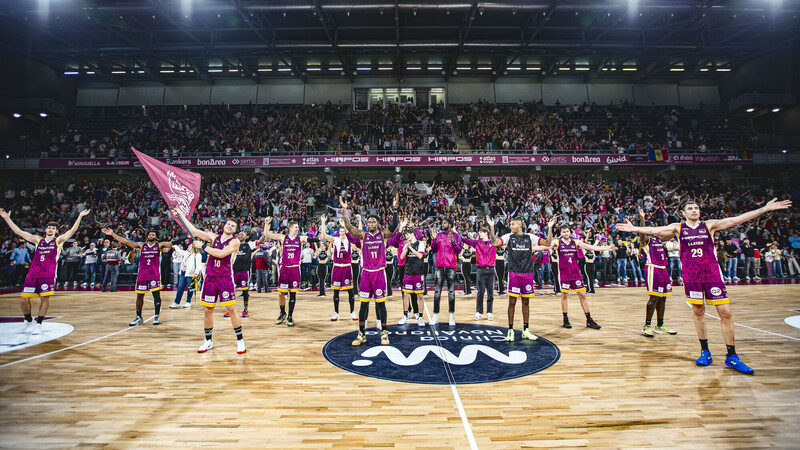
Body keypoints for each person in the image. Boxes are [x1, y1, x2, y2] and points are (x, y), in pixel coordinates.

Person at [616, 198, 792, 374]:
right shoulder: (678, 227)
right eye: (690, 208)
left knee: (726, 313)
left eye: (696, 208)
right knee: (698, 311)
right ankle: (705, 351)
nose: (694, 210)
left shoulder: (710, 225)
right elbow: (654, 230)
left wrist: (764, 209)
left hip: (712, 273)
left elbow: (737, 219)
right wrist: (635, 228)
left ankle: (732, 355)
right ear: (683, 213)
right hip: (692, 274)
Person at [0, 208, 90, 335]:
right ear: (45, 230)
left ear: (56, 231)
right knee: (23, 300)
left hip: (48, 274)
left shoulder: (58, 241)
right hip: (33, 273)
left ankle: (39, 323)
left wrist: (80, 216)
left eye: (53, 228)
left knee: (44, 299)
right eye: (49, 227)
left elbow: (72, 230)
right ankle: (28, 320)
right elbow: (19, 232)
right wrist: (7, 218)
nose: (50, 229)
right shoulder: (38, 240)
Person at [175, 211, 246, 354]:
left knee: (231, 309)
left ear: (235, 229)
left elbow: (221, 254)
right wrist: (181, 215)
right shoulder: (214, 237)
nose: (230, 226)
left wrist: (203, 247)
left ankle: (240, 340)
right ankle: (208, 341)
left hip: (225, 277)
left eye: (233, 225)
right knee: (208, 310)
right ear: (224, 225)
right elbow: (194, 230)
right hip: (211, 277)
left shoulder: (235, 241)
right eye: (228, 224)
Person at [339, 196, 400, 347]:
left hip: (379, 273)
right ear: (366, 224)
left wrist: (395, 208)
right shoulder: (362, 236)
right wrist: (345, 210)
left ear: (378, 224)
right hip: (366, 273)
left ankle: (384, 333)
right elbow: (349, 227)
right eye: (369, 221)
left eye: (374, 221)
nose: (371, 223)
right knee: (363, 306)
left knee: (381, 305)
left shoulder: (383, 235)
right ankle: (361, 333)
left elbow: (394, 225)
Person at [489, 216, 555, 342]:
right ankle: (510, 330)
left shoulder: (530, 237)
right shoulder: (509, 236)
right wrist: (492, 227)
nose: (511, 226)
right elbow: (494, 243)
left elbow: (547, 244)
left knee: (526, 302)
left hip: (527, 273)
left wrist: (550, 228)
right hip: (513, 273)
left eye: (513, 224)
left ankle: (526, 330)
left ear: (520, 225)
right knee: (512, 302)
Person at [102, 227, 174, 327]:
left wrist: (187, 237)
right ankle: (138, 317)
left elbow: (172, 243)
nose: (151, 236)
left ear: (156, 237)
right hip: (142, 274)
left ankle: (157, 315)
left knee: (156, 295)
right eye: (149, 234)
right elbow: (126, 241)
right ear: (147, 236)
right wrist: (113, 234)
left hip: (154, 274)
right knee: (139, 296)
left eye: (153, 235)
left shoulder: (159, 245)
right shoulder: (141, 245)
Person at [553, 224, 617, 329]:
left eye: (567, 231)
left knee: (582, 295)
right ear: (560, 233)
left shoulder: (576, 242)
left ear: (570, 232)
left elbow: (591, 247)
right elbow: (545, 246)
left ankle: (589, 320)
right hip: (564, 273)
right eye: (563, 232)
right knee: (564, 296)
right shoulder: (557, 242)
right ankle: (565, 319)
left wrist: (607, 248)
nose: (565, 233)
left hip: (575, 273)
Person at [262, 217, 320, 327]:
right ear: (290, 228)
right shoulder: (283, 238)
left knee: (293, 293)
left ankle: (290, 316)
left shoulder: (300, 238)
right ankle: (282, 313)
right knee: (280, 293)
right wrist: (266, 224)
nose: (297, 229)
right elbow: (267, 234)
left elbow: (311, 239)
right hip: (285, 268)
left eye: (298, 227)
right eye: (296, 227)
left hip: (294, 268)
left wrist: (318, 239)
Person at [635, 208, 677, 338]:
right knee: (654, 297)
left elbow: (673, 233)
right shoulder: (645, 240)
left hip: (663, 269)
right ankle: (647, 325)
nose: (652, 229)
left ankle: (660, 325)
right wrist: (642, 219)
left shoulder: (659, 239)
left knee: (663, 297)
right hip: (653, 268)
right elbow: (642, 234)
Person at [320, 215, 358, 321]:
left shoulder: (349, 240)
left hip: (346, 267)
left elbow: (358, 235)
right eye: (340, 232)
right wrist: (323, 222)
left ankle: (352, 312)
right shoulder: (336, 240)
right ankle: (336, 312)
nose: (342, 234)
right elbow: (324, 235)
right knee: (336, 292)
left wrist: (345, 225)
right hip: (337, 268)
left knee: (350, 291)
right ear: (338, 232)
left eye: (343, 232)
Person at [430, 218, 464, 326]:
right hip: (439, 266)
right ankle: (435, 315)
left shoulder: (456, 236)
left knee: (451, 292)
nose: (442, 224)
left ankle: (451, 316)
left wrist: (453, 242)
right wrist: (434, 240)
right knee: (437, 291)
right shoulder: (439, 235)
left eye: (444, 222)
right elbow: (434, 249)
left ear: (449, 224)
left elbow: (459, 250)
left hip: (451, 266)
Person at [462, 226, 497, 321]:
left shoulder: (493, 243)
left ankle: (489, 312)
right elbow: (465, 240)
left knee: (490, 292)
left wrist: (492, 227)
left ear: (485, 233)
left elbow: (494, 238)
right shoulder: (477, 243)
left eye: (480, 232)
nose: (479, 234)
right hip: (480, 269)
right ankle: (478, 312)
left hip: (491, 269)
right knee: (480, 292)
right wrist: (455, 233)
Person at [397, 226, 426, 327]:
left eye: (408, 235)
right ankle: (405, 315)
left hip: (418, 272)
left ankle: (420, 317)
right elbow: (401, 257)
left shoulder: (420, 243)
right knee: (405, 294)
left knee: (420, 296)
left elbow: (420, 256)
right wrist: (406, 247)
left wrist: (409, 247)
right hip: (408, 272)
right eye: (405, 236)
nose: (406, 237)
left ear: (412, 234)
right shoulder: (406, 244)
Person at [227, 231, 255, 318]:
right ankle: (230, 310)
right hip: (234, 272)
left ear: (246, 237)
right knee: (231, 291)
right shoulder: (234, 245)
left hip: (244, 271)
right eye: (239, 234)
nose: (241, 235)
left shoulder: (249, 245)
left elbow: (259, 242)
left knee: (245, 291)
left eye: (243, 234)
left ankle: (245, 309)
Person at [170, 240, 204, 308]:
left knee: (190, 288)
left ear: (194, 247)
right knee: (180, 288)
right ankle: (176, 302)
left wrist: (196, 273)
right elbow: (180, 251)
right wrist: (174, 244)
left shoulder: (197, 255)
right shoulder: (186, 253)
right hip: (183, 272)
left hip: (191, 273)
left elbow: (198, 265)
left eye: (190, 246)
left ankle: (188, 301)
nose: (188, 247)